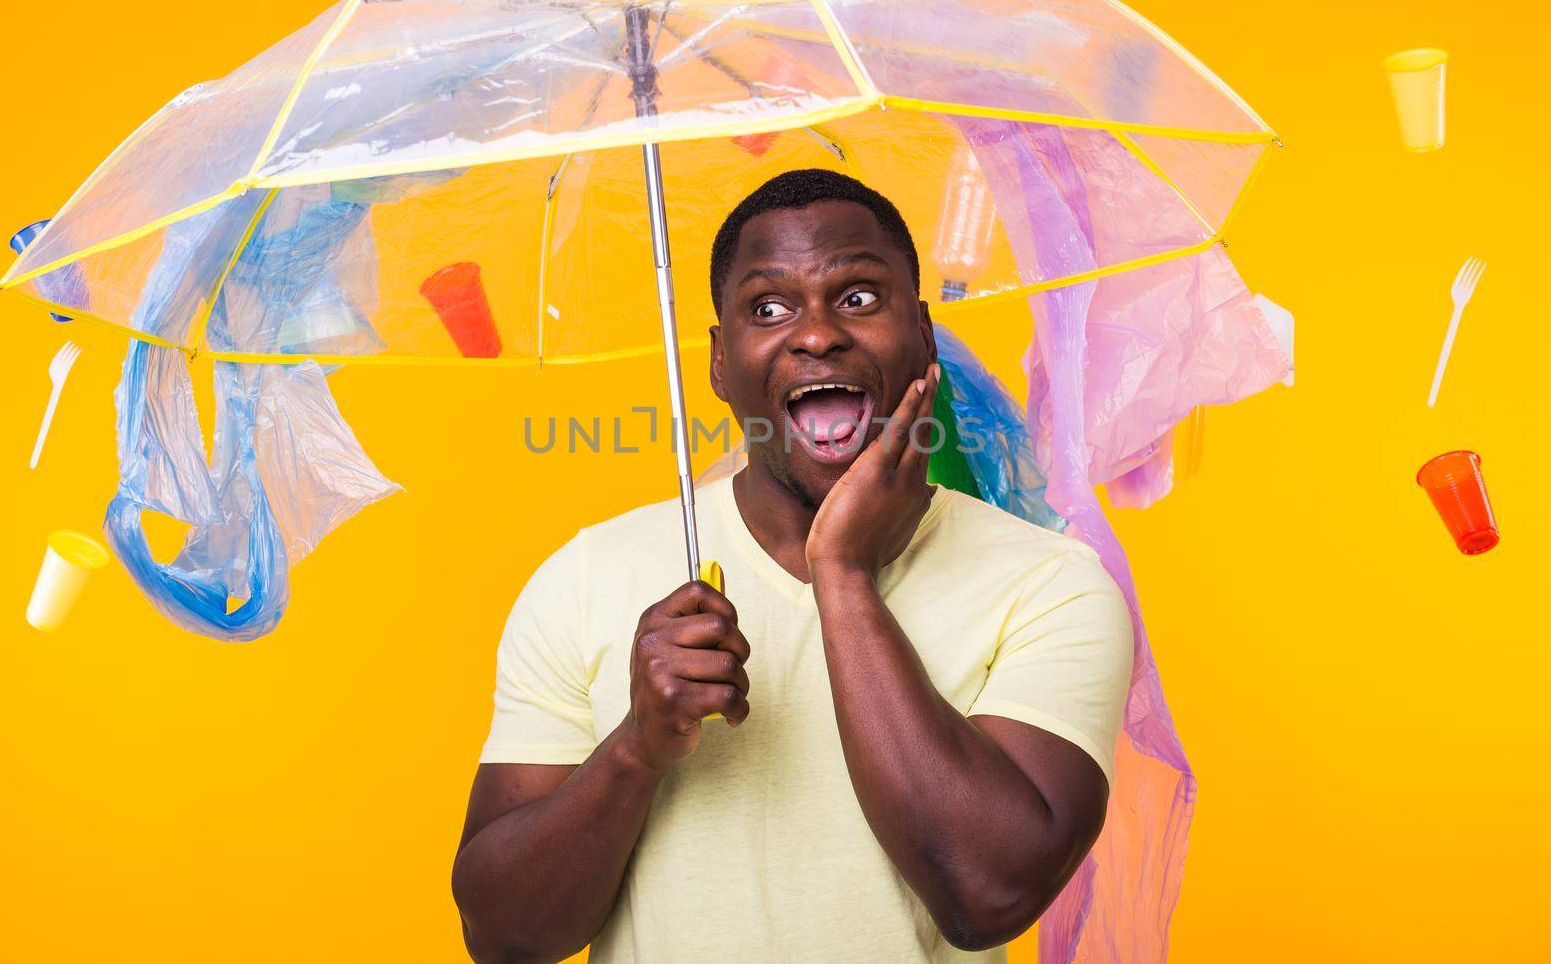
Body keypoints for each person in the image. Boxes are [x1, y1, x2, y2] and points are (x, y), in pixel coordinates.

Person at [451, 169, 1134, 963]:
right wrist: (636, 748)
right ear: (716, 361)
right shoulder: (584, 579)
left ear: (923, 336)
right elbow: (500, 936)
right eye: (768, 307)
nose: (816, 334)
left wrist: (841, 573)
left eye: (858, 297)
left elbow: (987, 893)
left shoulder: (1049, 587)